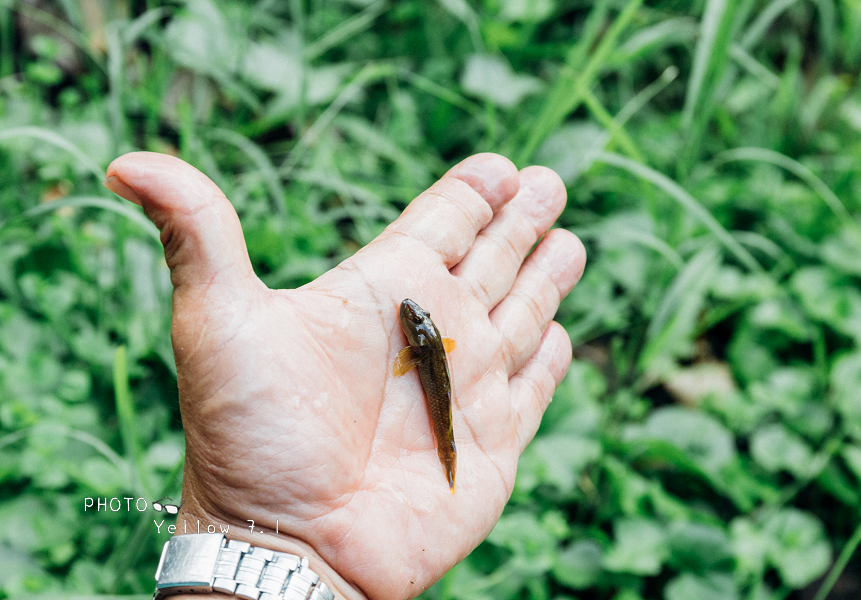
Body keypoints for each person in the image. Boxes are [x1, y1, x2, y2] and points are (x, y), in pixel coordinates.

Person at [104, 152, 586, 600]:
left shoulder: (423, 351)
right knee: (447, 434)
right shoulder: (423, 347)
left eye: (415, 321)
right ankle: (448, 457)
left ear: (423, 339)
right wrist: (283, 543)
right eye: (413, 319)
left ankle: (449, 455)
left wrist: (254, 540)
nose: (408, 317)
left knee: (448, 435)